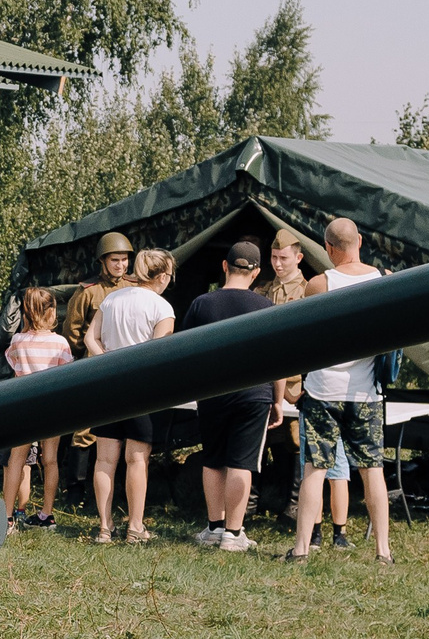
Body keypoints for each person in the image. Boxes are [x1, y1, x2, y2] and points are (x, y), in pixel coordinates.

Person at [282, 218, 394, 563]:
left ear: (328, 248)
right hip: (366, 393)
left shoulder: (319, 284)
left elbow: (302, 340)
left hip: (322, 389)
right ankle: (383, 551)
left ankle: (301, 549)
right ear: (359, 241)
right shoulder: (384, 281)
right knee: (372, 469)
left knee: (315, 469)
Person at [182, 240, 276, 552]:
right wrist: (277, 401)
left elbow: (185, 352)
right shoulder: (266, 308)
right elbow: (280, 361)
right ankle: (234, 534)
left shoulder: (201, 304)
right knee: (242, 462)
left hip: (212, 392)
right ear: (257, 272)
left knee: (213, 459)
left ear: (224, 266)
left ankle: (214, 527)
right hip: (254, 394)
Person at [260, 229, 351, 545]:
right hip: (272, 383)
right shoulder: (264, 291)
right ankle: (269, 502)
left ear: (298, 258)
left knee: (306, 452)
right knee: (274, 445)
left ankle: (300, 508)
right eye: (273, 257)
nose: (277, 263)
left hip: (299, 385)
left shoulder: (311, 289)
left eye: (283, 258)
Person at [83, 245, 175, 545]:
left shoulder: (111, 299)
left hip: (107, 386)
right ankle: (135, 527)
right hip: (141, 389)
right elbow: (158, 352)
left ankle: (104, 527)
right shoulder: (162, 308)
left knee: (104, 461)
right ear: (161, 276)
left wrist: (107, 361)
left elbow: (89, 337)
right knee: (137, 460)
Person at [0, 285, 72, 530]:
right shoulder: (61, 343)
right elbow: (66, 373)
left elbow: (13, 364)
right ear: (49, 312)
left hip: (24, 407)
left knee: (16, 459)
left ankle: (8, 516)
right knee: (50, 460)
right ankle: (46, 514)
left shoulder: (18, 341)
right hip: (52, 408)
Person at [60, 231, 134, 356]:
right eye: (115, 260)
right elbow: (72, 330)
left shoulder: (134, 286)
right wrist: (87, 352)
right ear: (102, 260)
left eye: (124, 259)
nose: (120, 265)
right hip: (98, 358)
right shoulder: (88, 291)